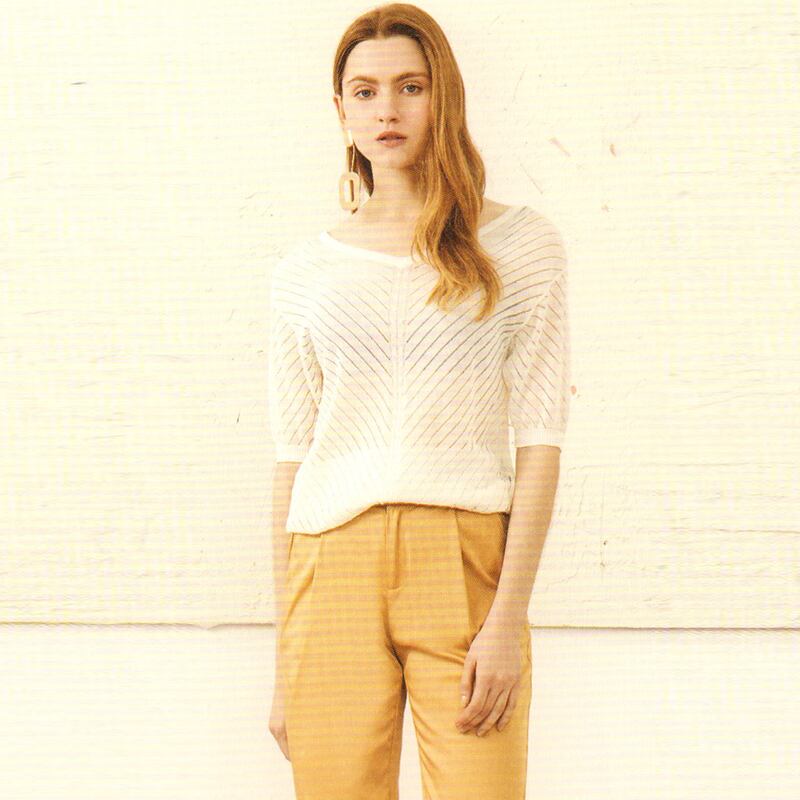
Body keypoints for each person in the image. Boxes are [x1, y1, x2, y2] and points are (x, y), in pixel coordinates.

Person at [268, 4, 571, 798]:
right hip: (330, 566)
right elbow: (291, 462)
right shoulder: (304, 272)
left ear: (445, 96)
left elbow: (541, 441)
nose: (388, 110)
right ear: (341, 110)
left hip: (464, 562)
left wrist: (506, 620)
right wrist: (283, 656)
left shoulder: (521, 245)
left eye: (411, 86)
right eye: (364, 92)